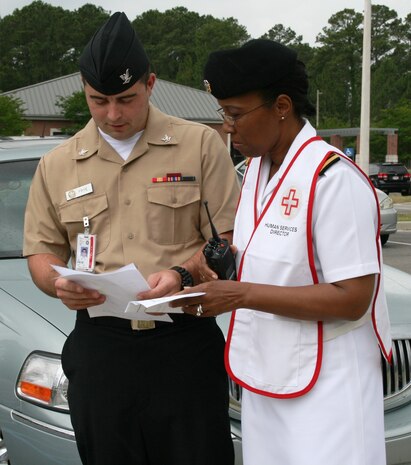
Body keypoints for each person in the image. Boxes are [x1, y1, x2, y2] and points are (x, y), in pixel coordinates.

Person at [23, 12, 239, 465]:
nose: (113, 114)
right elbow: (42, 252)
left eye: (126, 98)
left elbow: (228, 239)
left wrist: (182, 275)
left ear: (151, 83)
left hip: (184, 346)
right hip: (102, 349)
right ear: (84, 89)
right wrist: (56, 283)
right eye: (98, 100)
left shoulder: (199, 146)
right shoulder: (58, 164)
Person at [173, 39, 392, 465]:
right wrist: (202, 270)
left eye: (235, 114)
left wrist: (240, 295)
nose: (228, 128)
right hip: (269, 377)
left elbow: (353, 298)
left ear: (281, 106)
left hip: (328, 388)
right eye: (224, 114)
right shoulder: (258, 168)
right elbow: (265, 254)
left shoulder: (332, 180)